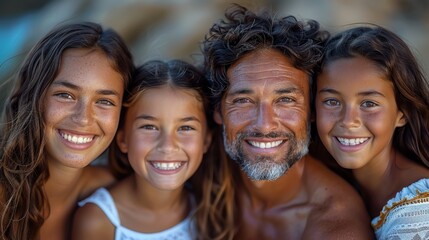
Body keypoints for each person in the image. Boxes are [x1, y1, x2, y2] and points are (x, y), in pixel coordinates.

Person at [201, 4, 374, 239]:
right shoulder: (202, 173)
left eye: (285, 100)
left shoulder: (336, 226)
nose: (264, 125)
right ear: (218, 110)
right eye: (243, 100)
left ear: (312, 110)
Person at [72, 60, 235, 240]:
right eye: (149, 127)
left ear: (206, 140)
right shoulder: (97, 221)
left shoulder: (212, 207)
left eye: (185, 128)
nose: (167, 146)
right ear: (122, 139)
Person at [0, 22, 134, 240]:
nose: (83, 118)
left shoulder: (116, 193)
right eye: (65, 95)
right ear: (33, 96)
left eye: (104, 101)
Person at [315, 25, 429, 239]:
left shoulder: (418, 218)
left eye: (368, 103)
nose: (348, 121)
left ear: (401, 114)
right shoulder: (329, 184)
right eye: (332, 101)